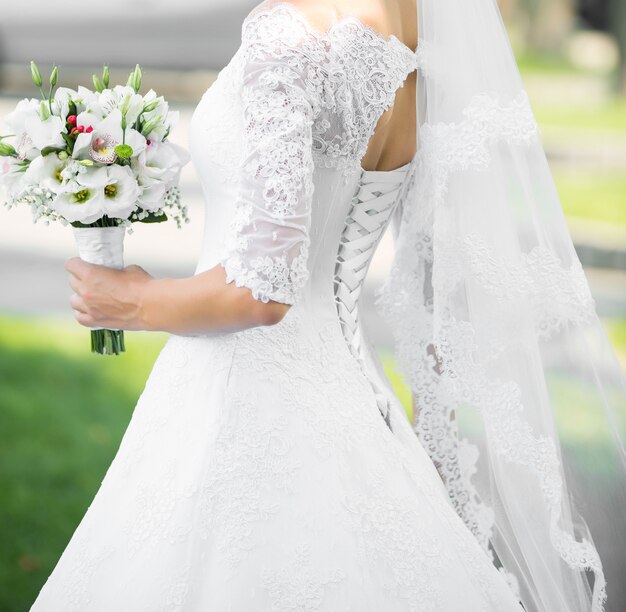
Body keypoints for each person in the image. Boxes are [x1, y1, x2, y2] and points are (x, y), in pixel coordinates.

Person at [31, 0, 626, 610]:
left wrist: (132, 301)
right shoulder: (418, 39)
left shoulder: (287, 33)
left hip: (238, 395)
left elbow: (261, 289)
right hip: (356, 402)